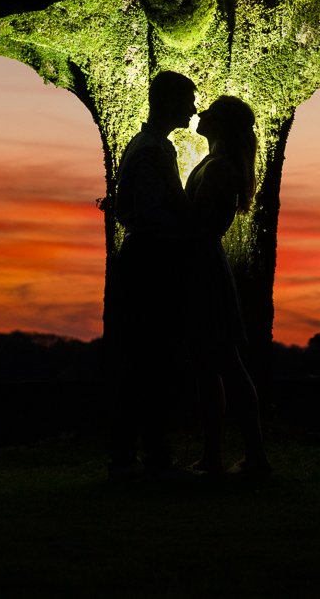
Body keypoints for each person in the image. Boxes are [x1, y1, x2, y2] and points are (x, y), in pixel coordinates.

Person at [105, 70, 197, 478]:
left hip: (142, 257)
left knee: (142, 358)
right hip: (150, 260)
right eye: (188, 100)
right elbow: (156, 210)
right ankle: (146, 455)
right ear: (169, 103)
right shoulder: (155, 150)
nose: (193, 109)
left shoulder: (147, 146)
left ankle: (134, 453)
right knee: (152, 357)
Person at [184, 94, 271, 477]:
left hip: (204, 268)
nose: (201, 113)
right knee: (209, 364)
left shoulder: (220, 169)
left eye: (211, 112)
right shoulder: (215, 163)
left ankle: (253, 456)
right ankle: (216, 455)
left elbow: (198, 221)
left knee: (224, 364)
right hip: (202, 265)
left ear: (223, 125)